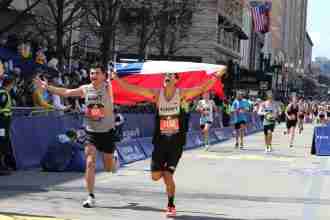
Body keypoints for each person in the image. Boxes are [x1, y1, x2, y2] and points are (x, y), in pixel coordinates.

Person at [111, 67, 226, 217]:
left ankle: (171, 205)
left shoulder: (182, 94)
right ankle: (165, 176)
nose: (167, 76)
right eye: (165, 74)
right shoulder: (156, 94)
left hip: (175, 143)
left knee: (168, 174)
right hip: (160, 142)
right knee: (156, 176)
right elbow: (134, 89)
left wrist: (216, 77)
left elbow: (202, 87)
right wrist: (117, 79)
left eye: (170, 75)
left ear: (176, 80)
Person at [34, 63, 119, 208]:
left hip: (107, 133)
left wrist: (114, 75)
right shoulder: (85, 89)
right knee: (90, 162)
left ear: (104, 75)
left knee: (109, 168)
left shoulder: (109, 87)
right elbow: (66, 92)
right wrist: (48, 87)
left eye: (97, 73)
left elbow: (118, 82)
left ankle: (114, 160)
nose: (93, 76)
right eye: (92, 73)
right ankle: (90, 196)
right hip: (91, 132)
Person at [0, 74, 16, 175]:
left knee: (3, 143)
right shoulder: (3, 94)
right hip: (1, 124)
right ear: (10, 84)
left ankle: (3, 165)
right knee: (1, 143)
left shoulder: (5, 92)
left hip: (4, 123)